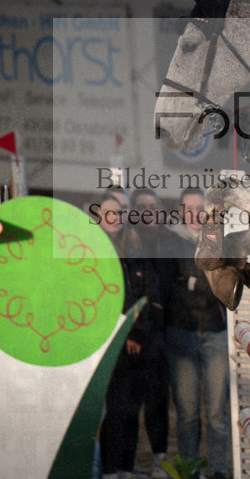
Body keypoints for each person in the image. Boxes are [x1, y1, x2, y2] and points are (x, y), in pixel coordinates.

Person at [95, 188, 169, 479]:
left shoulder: (135, 250)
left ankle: (125, 468)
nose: (115, 218)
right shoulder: (92, 251)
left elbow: (150, 296)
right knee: (115, 410)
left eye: (120, 213)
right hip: (111, 344)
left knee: (131, 409)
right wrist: (125, 334)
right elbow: (102, 301)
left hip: (140, 342)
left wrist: (139, 331)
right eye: (110, 213)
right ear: (100, 216)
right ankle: (111, 469)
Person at [165, 188, 230, 479]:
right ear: (181, 211)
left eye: (199, 208)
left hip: (216, 334)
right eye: (188, 208)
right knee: (188, 414)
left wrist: (191, 283)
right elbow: (170, 289)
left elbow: (222, 289)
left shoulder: (220, 243)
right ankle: (189, 470)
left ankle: (218, 470)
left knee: (216, 414)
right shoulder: (171, 242)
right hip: (182, 337)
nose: (194, 215)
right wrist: (201, 286)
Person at [129, 188, 178, 479]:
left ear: (160, 210)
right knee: (129, 403)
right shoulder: (128, 243)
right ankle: (125, 463)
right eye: (141, 206)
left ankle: (160, 458)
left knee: (158, 401)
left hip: (164, 334)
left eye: (152, 205)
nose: (148, 211)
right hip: (135, 334)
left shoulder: (172, 242)